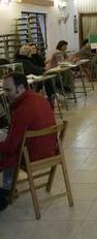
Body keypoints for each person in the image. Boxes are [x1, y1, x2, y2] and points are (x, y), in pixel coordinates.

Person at [0, 73, 56, 206]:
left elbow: (11, 147)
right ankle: (8, 186)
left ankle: (8, 189)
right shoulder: (39, 98)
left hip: (32, 155)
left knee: (7, 147)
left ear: (20, 88)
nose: (5, 94)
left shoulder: (23, 110)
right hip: (50, 149)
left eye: (8, 90)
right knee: (6, 136)